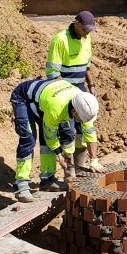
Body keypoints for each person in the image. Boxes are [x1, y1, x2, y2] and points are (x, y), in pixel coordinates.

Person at [10, 77, 99, 202]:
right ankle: (21, 184)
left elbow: (89, 132)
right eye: (80, 118)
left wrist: (94, 160)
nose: (82, 121)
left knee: (50, 138)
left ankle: (47, 180)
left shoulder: (83, 102)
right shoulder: (56, 109)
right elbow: (50, 135)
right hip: (23, 98)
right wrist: (60, 154)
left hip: (46, 99)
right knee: (28, 138)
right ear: (73, 111)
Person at [45, 10, 105, 173]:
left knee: (87, 126)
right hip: (64, 93)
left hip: (80, 89)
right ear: (76, 23)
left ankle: (85, 165)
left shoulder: (86, 38)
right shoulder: (60, 40)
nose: (87, 33)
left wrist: (91, 85)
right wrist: (70, 94)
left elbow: (86, 66)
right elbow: (53, 74)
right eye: (85, 29)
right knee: (67, 133)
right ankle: (70, 174)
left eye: (90, 30)